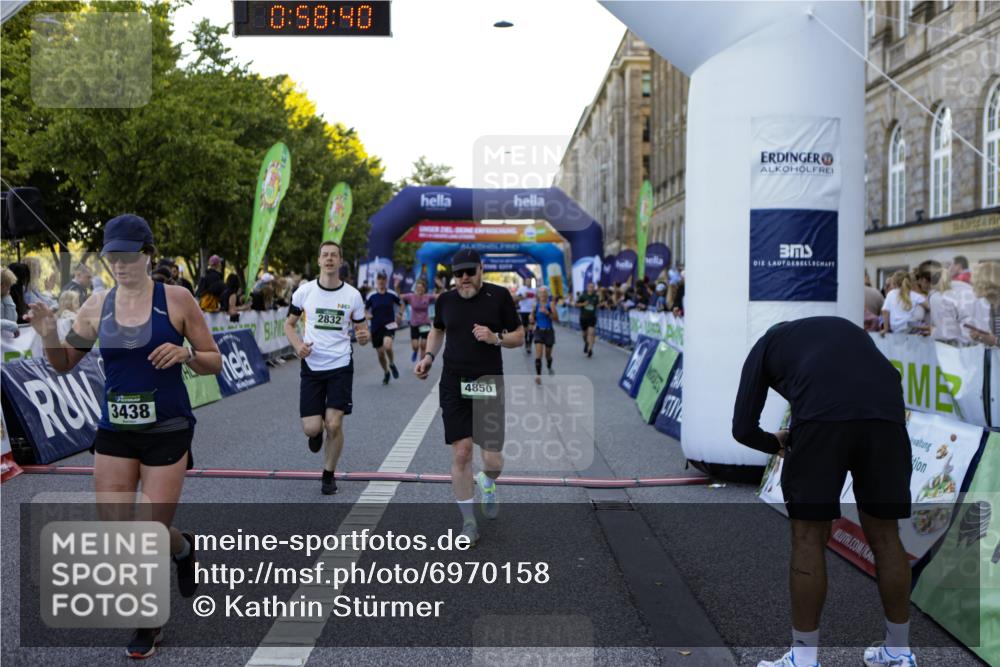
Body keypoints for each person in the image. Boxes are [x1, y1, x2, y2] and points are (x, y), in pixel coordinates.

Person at [26, 213, 222, 659]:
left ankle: (148, 624)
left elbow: (214, 360)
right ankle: (183, 545)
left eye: (129, 256)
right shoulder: (97, 305)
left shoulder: (177, 299)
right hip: (115, 428)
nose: (120, 265)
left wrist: (187, 353)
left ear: (148, 255)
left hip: (167, 429)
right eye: (113, 256)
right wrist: (48, 332)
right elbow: (63, 363)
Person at [732, 317, 915, 667]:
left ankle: (803, 659)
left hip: (821, 414)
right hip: (886, 414)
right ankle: (899, 652)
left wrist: (777, 442)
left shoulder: (765, 346)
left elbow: (742, 428)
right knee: (886, 536)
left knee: (808, 538)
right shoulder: (841, 329)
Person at [414, 249, 524, 545]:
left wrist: (495, 337)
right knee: (461, 452)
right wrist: (428, 357)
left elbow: (520, 335)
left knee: (493, 460)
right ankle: (469, 523)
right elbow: (437, 331)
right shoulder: (446, 300)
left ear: (481, 269)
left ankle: (487, 481)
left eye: (469, 272)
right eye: (458, 274)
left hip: (487, 382)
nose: (464, 279)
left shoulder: (499, 296)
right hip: (453, 382)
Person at [284, 241, 370, 495]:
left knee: (334, 423)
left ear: (340, 261)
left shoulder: (353, 295)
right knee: (312, 428)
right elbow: (289, 325)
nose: (329, 259)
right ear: (319, 260)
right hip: (311, 365)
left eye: (334, 255)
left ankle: (328, 474)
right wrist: (298, 345)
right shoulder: (304, 292)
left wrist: (364, 336)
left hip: (340, 364)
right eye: (325, 255)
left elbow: (361, 328)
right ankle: (315, 433)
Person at [365, 273, 402, 385]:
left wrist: (399, 314)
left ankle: (391, 363)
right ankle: (386, 372)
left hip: (389, 325)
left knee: (387, 345)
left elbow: (401, 304)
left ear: (386, 281)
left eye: (383, 279)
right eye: (379, 279)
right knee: (380, 353)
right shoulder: (371, 295)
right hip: (376, 327)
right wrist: (367, 315)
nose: (381, 281)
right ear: (376, 281)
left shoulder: (391, 294)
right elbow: (365, 309)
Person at [401, 279, 437, 363]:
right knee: (415, 346)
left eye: (421, 287)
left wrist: (442, 287)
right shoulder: (411, 296)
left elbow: (438, 296)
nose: (419, 289)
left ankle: (422, 362)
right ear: (415, 288)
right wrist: (396, 287)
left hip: (425, 323)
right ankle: (415, 351)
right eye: (418, 287)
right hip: (414, 324)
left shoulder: (427, 297)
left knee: (423, 345)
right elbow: (399, 296)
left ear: (424, 288)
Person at [880, 270, 926, 335]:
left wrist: (885, 329)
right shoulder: (914, 295)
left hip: (895, 329)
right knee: (920, 310)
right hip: (911, 329)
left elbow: (885, 311)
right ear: (909, 282)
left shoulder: (891, 294)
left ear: (894, 283)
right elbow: (928, 306)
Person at [966, 260, 1000, 346]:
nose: (972, 286)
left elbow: (995, 340)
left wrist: (994, 340)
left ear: (985, 283)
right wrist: (982, 337)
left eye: (975, 282)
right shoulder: (993, 305)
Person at [530, 286, 559, 384]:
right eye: (541, 293)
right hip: (539, 331)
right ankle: (538, 375)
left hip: (549, 332)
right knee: (538, 354)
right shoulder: (536, 305)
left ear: (547, 294)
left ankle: (549, 365)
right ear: (538, 294)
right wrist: (531, 318)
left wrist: (548, 313)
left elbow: (556, 319)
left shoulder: (550, 304)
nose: (542, 295)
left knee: (548, 355)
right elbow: (532, 318)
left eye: (544, 293)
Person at [575, 282, 599, 357]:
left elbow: (597, 305)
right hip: (583, 317)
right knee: (584, 334)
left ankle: (590, 350)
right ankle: (586, 343)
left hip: (592, 317)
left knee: (591, 333)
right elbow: (576, 304)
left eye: (592, 287)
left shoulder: (596, 296)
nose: (591, 288)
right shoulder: (583, 296)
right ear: (587, 287)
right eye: (590, 287)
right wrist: (583, 304)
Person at [515, 280, 536, 353]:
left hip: (532, 311)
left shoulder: (534, 290)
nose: (528, 283)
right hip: (523, 311)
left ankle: (529, 345)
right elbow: (516, 299)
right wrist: (523, 296)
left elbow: (537, 299)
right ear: (525, 282)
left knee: (531, 328)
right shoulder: (522, 289)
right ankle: (526, 342)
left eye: (530, 281)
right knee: (525, 329)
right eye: (527, 281)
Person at [1, 267, 20, 337]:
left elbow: (12, 319)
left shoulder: (4, 298)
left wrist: (7, 298)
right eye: (8, 285)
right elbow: (12, 324)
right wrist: (13, 326)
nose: (9, 289)